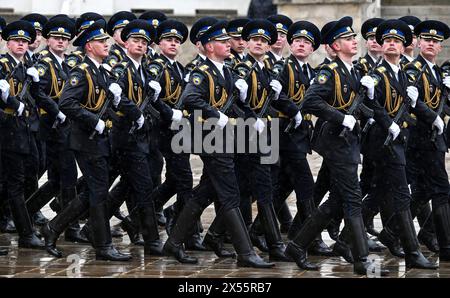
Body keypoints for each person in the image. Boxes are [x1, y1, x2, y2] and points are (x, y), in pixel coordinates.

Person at [365, 19, 440, 269]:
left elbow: (408, 106)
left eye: (396, 41)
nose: (391, 45)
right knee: (400, 194)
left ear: (404, 46)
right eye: (387, 41)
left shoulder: (400, 73)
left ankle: (345, 240)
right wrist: (388, 122)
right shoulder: (377, 73)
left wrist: (426, 114)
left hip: (399, 140)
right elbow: (371, 106)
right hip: (383, 141)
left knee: (380, 191)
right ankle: (413, 252)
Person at [403, 19, 450, 261]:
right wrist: (433, 117)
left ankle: (393, 231)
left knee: (422, 192)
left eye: (436, 42)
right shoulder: (414, 69)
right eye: (427, 40)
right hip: (420, 138)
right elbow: (414, 101)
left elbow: (444, 105)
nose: (431, 44)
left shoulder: (438, 72)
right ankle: (446, 247)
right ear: (419, 42)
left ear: (440, 47)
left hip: (434, 140)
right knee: (442, 189)